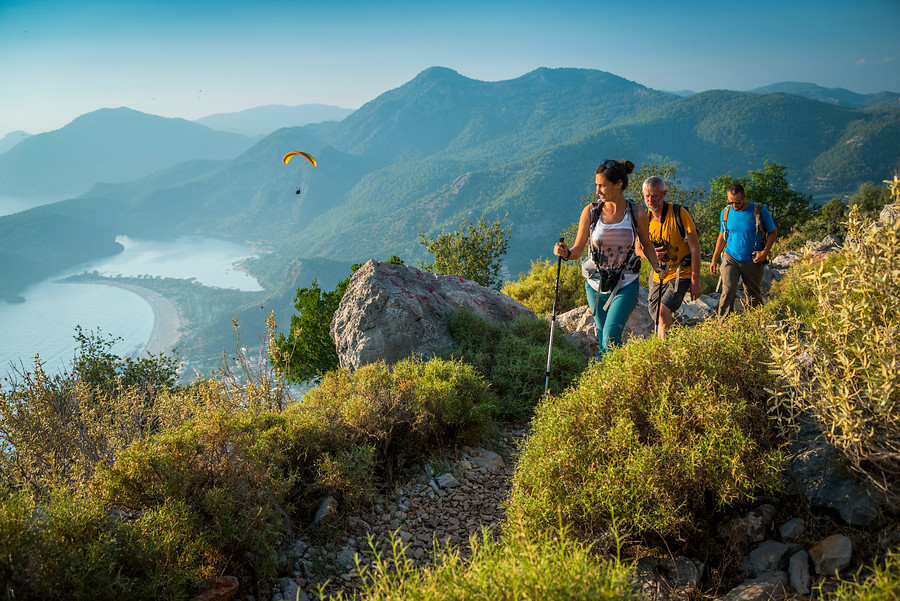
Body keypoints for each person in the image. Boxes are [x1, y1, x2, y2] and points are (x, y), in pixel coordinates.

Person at [554, 159, 666, 357]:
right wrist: (565, 253)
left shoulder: (636, 213)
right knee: (603, 335)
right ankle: (607, 380)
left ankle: (617, 379)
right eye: (597, 185)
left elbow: (647, 245)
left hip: (626, 284)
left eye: (602, 185)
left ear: (618, 184)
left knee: (611, 336)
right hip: (595, 285)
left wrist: (657, 267)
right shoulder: (591, 212)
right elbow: (578, 249)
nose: (598, 190)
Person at [641, 176, 701, 338]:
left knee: (662, 311)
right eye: (647, 196)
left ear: (664, 194)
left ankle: (664, 351)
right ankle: (671, 342)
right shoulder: (644, 218)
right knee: (656, 315)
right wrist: (651, 256)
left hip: (682, 272)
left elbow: (695, 248)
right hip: (658, 274)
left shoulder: (680, 213)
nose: (650, 200)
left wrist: (695, 281)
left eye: (654, 196)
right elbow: (638, 249)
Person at [710, 183, 777, 316]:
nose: (734, 206)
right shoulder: (726, 212)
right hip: (731, 257)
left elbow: (773, 232)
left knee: (753, 294)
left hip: (753, 259)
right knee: (728, 291)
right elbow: (722, 236)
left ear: (745, 197)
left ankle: (756, 323)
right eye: (731, 202)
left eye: (738, 203)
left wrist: (765, 252)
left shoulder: (759, 211)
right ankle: (723, 325)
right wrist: (714, 259)